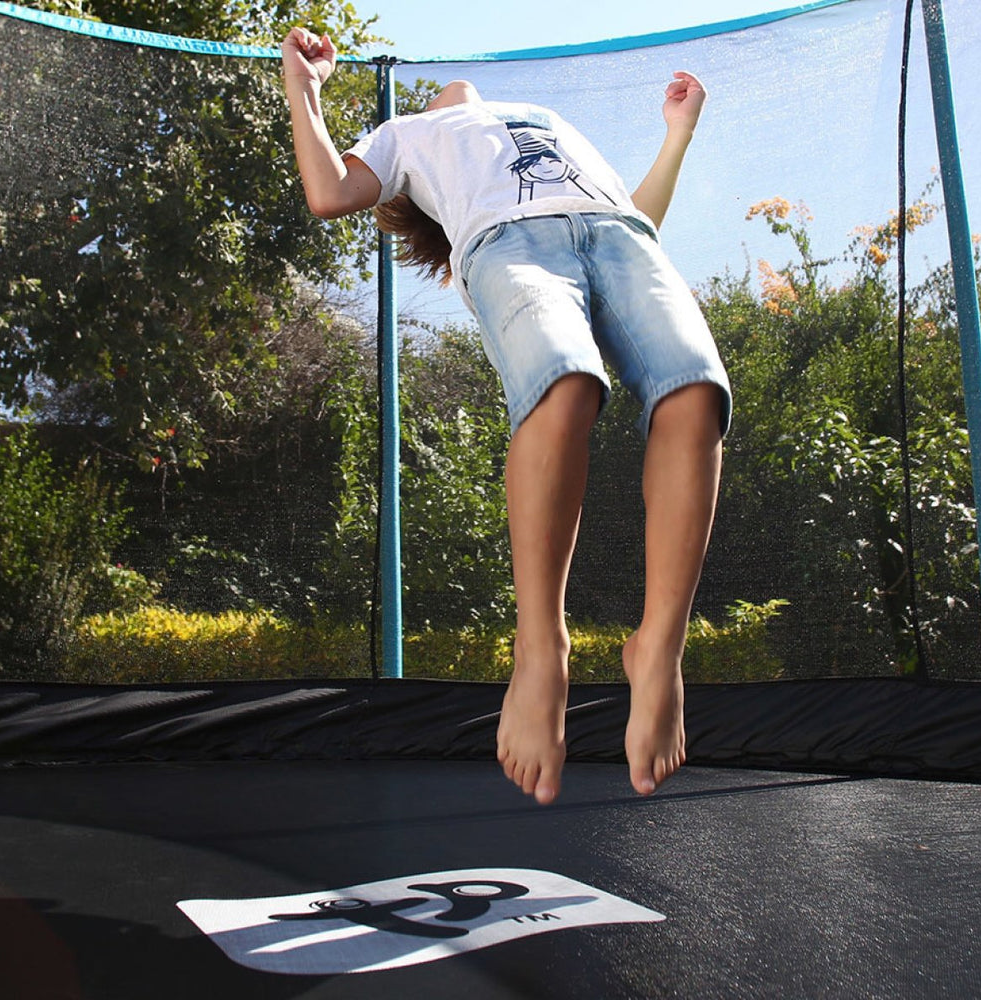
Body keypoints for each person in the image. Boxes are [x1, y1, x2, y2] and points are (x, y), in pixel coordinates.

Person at [282, 27, 731, 805]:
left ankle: (659, 649)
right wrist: (304, 90)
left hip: (620, 235)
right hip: (508, 245)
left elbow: (636, 216)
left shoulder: (546, 118)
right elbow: (328, 192)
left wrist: (677, 135)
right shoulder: (405, 135)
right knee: (566, 384)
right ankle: (540, 647)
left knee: (695, 393)